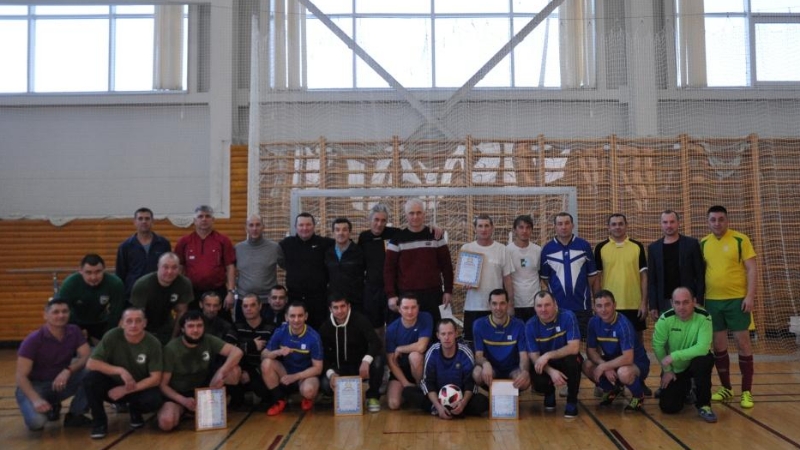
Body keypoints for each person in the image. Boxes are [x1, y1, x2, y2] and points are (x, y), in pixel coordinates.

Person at [701, 205, 757, 408]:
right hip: (712, 301)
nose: (717, 223)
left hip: (737, 300)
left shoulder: (741, 240)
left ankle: (746, 391)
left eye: (721, 219)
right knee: (718, 346)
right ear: (708, 222)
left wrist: (749, 296)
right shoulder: (703, 243)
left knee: (743, 344)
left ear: (727, 220)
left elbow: (752, 269)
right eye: (713, 219)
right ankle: (726, 388)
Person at [83, 308, 164, 439]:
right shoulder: (112, 336)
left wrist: (126, 389)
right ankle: (99, 422)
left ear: (145, 323)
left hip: (138, 388)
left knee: (154, 400)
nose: (133, 325)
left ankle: (135, 410)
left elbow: (155, 378)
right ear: (122, 323)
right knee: (90, 379)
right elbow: (91, 364)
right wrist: (120, 371)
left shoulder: (153, 343)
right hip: (113, 387)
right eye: (129, 321)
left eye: (138, 321)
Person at [593, 214, 651, 396]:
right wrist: (597, 303)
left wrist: (644, 302)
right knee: (605, 344)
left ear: (626, 226)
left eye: (620, 224)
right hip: (608, 307)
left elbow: (644, 276)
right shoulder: (601, 248)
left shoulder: (637, 246)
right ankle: (605, 382)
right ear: (608, 227)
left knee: (637, 344)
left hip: (633, 304)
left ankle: (638, 381)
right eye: (613, 224)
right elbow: (597, 278)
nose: (617, 227)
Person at [156, 310, 242, 431]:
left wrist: (221, 372)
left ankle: (209, 405)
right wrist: (183, 401)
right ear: (182, 329)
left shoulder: (209, 340)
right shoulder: (171, 349)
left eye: (199, 326)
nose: (196, 330)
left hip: (202, 391)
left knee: (234, 371)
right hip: (179, 395)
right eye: (191, 326)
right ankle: (184, 410)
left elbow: (237, 352)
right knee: (166, 423)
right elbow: (163, 385)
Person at [15, 298, 92, 431]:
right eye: (56, 312)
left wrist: (68, 370)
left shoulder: (74, 331)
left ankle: (75, 414)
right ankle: (50, 405)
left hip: (60, 382)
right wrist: (36, 400)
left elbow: (87, 356)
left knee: (93, 371)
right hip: (35, 387)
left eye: (64, 311)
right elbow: (21, 376)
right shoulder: (32, 340)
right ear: (45, 315)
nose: (61, 315)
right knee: (37, 423)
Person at [384, 198, 454, 324]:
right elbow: (389, 270)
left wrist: (448, 290)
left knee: (434, 330)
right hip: (407, 296)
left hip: (433, 295)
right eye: (411, 213)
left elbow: (446, 266)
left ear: (424, 214)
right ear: (406, 215)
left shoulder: (436, 236)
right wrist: (391, 295)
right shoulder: (397, 239)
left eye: (418, 212)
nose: (415, 216)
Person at [653, 287, 717, 423]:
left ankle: (704, 405)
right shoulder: (665, 319)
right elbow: (657, 346)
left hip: (695, 362)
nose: (681, 307)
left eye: (686, 302)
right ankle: (687, 389)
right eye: (677, 303)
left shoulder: (704, 317)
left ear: (694, 302)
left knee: (704, 361)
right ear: (672, 303)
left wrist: (674, 356)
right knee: (669, 407)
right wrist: (667, 370)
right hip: (676, 368)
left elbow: (703, 348)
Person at [582, 290, 651, 412]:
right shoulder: (593, 322)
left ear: (615, 305)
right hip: (613, 361)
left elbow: (628, 358)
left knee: (623, 372)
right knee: (587, 365)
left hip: (636, 364)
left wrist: (604, 366)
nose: (603, 309)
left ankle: (638, 396)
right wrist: (604, 365)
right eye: (599, 306)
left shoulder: (623, 325)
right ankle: (612, 390)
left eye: (607, 305)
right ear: (594, 308)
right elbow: (590, 351)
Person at [409, 319, 489, 419]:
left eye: (450, 333)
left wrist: (463, 403)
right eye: (443, 334)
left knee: (483, 402)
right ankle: (438, 409)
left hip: (460, 397)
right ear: (438, 335)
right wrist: (438, 406)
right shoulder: (433, 352)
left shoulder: (465, 352)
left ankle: (458, 409)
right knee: (408, 392)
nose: (446, 337)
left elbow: (470, 384)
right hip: (438, 395)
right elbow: (428, 383)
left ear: (456, 334)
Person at [319, 296, 383, 412]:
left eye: (343, 306)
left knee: (378, 361)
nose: (340, 311)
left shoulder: (361, 320)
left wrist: (366, 361)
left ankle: (372, 396)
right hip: (339, 369)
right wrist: (331, 374)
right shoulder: (325, 327)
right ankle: (337, 397)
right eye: (336, 307)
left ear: (349, 306)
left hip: (361, 367)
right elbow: (322, 355)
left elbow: (375, 342)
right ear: (330, 309)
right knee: (325, 384)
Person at [525, 291, 583, 418]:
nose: (543, 309)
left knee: (573, 362)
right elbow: (534, 357)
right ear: (534, 308)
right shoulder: (530, 325)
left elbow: (574, 348)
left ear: (555, 304)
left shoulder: (568, 316)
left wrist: (548, 355)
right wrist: (551, 371)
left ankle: (572, 401)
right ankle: (549, 392)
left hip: (564, 359)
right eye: (539, 306)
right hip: (546, 364)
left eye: (547, 305)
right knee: (537, 375)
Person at [539, 212, 598, 338]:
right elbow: (545, 279)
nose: (563, 227)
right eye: (560, 224)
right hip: (557, 309)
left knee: (585, 342)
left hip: (581, 307)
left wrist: (581, 289)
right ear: (555, 226)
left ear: (573, 225)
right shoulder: (547, 249)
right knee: (559, 342)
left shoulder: (584, 246)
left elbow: (592, 276)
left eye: (567, 223)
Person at [260, 302, 323, 415]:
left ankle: (307, 398)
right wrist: (277, 352)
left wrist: (296, 376)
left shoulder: (314, 337)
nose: (296, 320)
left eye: (300, 316)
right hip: (285, 373)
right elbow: (263, 355)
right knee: (266, 363)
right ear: (286, 317)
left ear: (306, 316)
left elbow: (318, 368)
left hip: (305, 376)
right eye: (292, 316)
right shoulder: (280, 331)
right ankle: (279, 400)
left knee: (309, 390)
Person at [459, 214, 515, 343]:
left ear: (492, 228)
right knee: (472, 343)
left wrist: (510, 304)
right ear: (475, 229)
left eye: (486, 226)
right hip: (473, 306)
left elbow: (507, 280)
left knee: (495, 343)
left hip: (496, 308)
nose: (483, 229)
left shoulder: (502, 249)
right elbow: (462, 278)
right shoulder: (467, 248)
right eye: (480, 226)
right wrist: (464, 283)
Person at [174, 205, 236, 311]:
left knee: (221, 321)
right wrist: (178, 291)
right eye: (200, 216)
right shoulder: (184, 242)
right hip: (192, 292)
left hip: (217, 291)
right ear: (194, 220)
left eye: (207, 216)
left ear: (213, 220)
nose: (204, 219)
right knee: (193, 320)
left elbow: (230, 267)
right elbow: (179, 268)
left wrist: (231, 292)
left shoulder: (223, 241)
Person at [279, 212, 335, 328]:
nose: (305, 228)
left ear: (314, 226)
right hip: (295, 298)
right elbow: (279, 261)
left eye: (308, 224)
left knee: (318, 331)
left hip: (318, 300)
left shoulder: (326, 243)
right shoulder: (286, 244)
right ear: (296, 227)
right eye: (301, 225)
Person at [648, 209, 705, 318]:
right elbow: (652, 280)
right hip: (664, 302)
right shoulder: (653, 248)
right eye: (665, 222)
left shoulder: (692, 244)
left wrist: (699, 300)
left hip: (688, 300)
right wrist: (653, 305)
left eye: (672, 222)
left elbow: (700, 274)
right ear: (661, 224)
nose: (669, 225)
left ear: (678, 223)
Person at [58, 253, 125, 345]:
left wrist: (108, 336)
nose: (93, 277)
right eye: (88, 272)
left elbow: (116, 313)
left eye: (98, 272)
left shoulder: (115, 283)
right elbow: (64, 311)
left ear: (104, 270)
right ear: (80, 271)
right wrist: (77, 330)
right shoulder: (69, 284)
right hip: (75, 322)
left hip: (102, 323)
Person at [472, 289, 530, 391]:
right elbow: (478, 356)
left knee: (525, 381)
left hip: (512, 369)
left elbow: (523, 356)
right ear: (489, 305)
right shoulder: (479, 324)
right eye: (494, 304)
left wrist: (525, 371)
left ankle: (511, 395)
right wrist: (486, 364)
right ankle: (492, 394)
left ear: (507, 304)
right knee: (477, 373)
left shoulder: (519, 324)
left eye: (502, 303)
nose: (498, 308)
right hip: (492, 369)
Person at [129, 252, 192, 345]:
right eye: (165, 267)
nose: (169, 271)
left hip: (167, 324)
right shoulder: (142, 284)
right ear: (158, 266)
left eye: (174, 268)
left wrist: (173, 339)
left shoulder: (184, 284)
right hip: (145, 325)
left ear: (179, 269)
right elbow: (136, 315)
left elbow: (181, 312)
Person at [385, 293, 433, 410]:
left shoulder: (425, 317)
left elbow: (421, 346)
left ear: (418, 307)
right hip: (402, 371)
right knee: (393, 404)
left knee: (415, 356)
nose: (410, 312)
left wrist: (400, 348)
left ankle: (420, 388)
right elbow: (391, 362)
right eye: (406, 308)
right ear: (399, 309)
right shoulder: (391, 329)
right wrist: (405, 383)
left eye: (413, 307)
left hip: (421, 369)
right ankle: (410, 395)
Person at [233, 214, 284, 322]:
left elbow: (287, 267)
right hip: (245, 301)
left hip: (268, 302)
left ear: (263, 227)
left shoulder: (274, 248)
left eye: (258, 225)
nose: (254, 228)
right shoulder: (238, 249)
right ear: (246, 228)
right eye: (251, 225)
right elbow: (230, 271)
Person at [115, 207, 172, 300]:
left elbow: (168, 268)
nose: (144, 221)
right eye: (140, 218)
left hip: (158, 293)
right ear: (134, 222)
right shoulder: (125, 246)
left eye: (147, 218)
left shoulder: (163, 243)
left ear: (152, 221)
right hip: (133, 294)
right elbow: (120, 274)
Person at [230, 293, 275, 410]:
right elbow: (229, 348)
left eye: (252, 305)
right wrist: (250, 346)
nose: (248, 309)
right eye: (245, 306)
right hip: (241, 368)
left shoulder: (271, 328)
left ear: (260, 306)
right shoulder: (236, 326)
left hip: (260, 371)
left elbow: (274, 355)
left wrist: (252, 373)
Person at [325, 217, 366, 312]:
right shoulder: (328, 253)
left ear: (350, 232)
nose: (341, 233)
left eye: (344, 230)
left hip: (355, 302)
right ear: (333, 233)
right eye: (337, 230)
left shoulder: (359, 252)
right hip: (334, 302)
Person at [506, 214, 542, 322]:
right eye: (521, 227)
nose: (524, 231)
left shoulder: (538, 250)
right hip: (516, 303)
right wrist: (509, 303)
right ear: (515, 230)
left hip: (535, 302)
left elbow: (541, 275)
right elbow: (505, 278)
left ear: (531, 230)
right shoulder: (507, 251)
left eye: (528, 227)